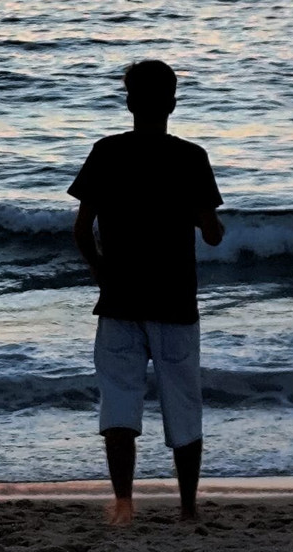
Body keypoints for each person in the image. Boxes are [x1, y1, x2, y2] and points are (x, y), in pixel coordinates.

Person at [67, 60, 225, 525]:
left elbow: (81, 228)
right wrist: (208, 220)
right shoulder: (190, 157)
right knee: (183, 403)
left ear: (130, 102)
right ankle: (189, 507)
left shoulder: (106, 152)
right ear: (173, 103)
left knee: (118, 400)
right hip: (175, 301)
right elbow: (212, 233)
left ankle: (123, 503)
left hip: (119, 299)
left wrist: (100, 271)